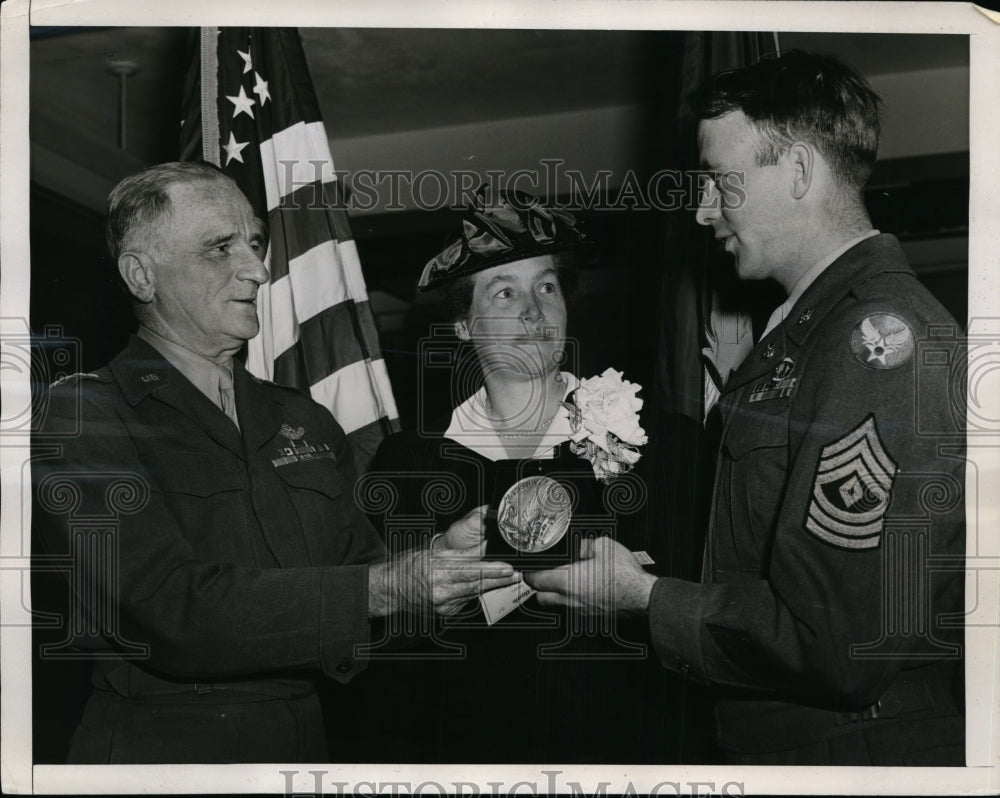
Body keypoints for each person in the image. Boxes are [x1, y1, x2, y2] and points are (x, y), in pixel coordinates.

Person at [527, 51, 966, 765]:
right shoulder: (808, 334)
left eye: (717, 182)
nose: (701, 209)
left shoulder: (876, 343)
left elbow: (834, 642)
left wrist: (643, 598)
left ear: (797, 172)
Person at [31, 161, 520, 764]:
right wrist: (388, 588)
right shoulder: (86, 415)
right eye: (220, 247)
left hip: (308, 743)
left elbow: (363, 583)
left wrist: (441, 574)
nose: (258, 270)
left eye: (256, 242)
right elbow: (171, 611)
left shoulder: (302, 418)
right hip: (161, 753)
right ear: (141, 275)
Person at [355, 189, 670, 763]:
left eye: (546, 287)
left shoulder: (653, 442)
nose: (533, 310)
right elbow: (383, 645)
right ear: (462, 326)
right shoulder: (409, 464)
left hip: (624, 749)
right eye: (505, 293)